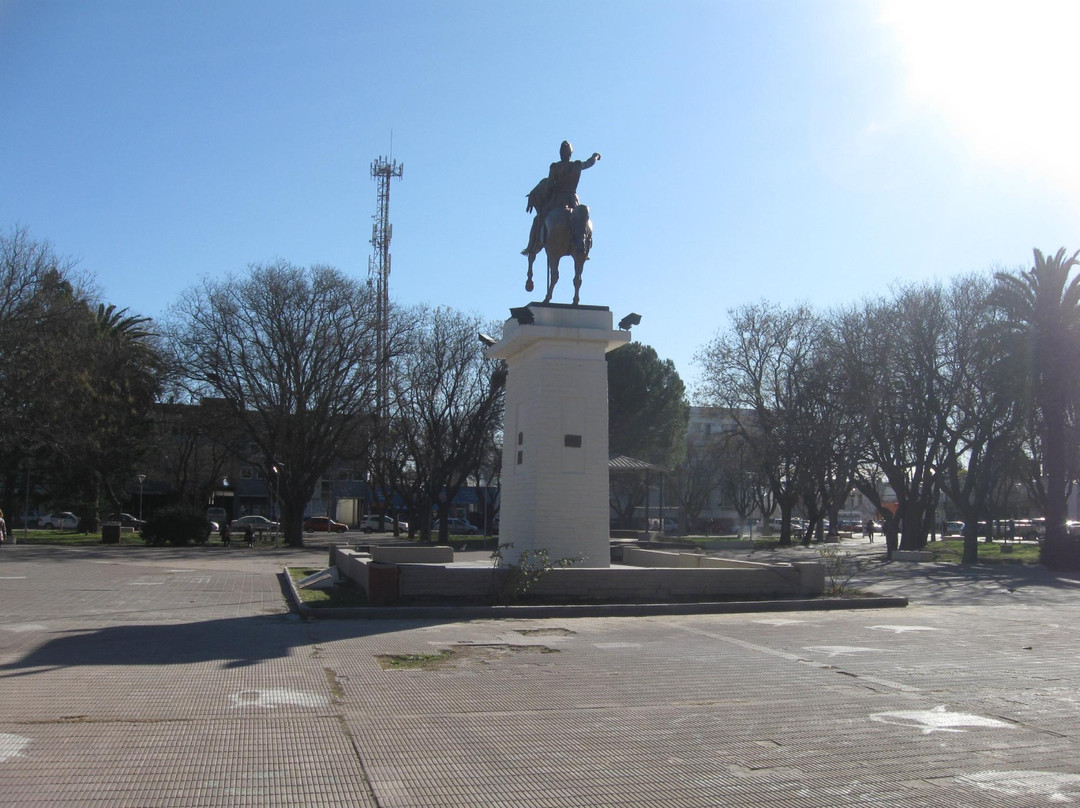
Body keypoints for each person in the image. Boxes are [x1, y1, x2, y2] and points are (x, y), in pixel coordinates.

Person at [523, 141, 601, 256]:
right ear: (571, 153)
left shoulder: (555, 167)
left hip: (557, 201)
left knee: (538, 220)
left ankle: (532, 246)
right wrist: (595, 156)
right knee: (583, 220)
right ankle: (582, 244)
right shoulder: (577, 165)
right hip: (573, 201)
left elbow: (549, 186)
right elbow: (589, 163)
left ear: (561, 153)